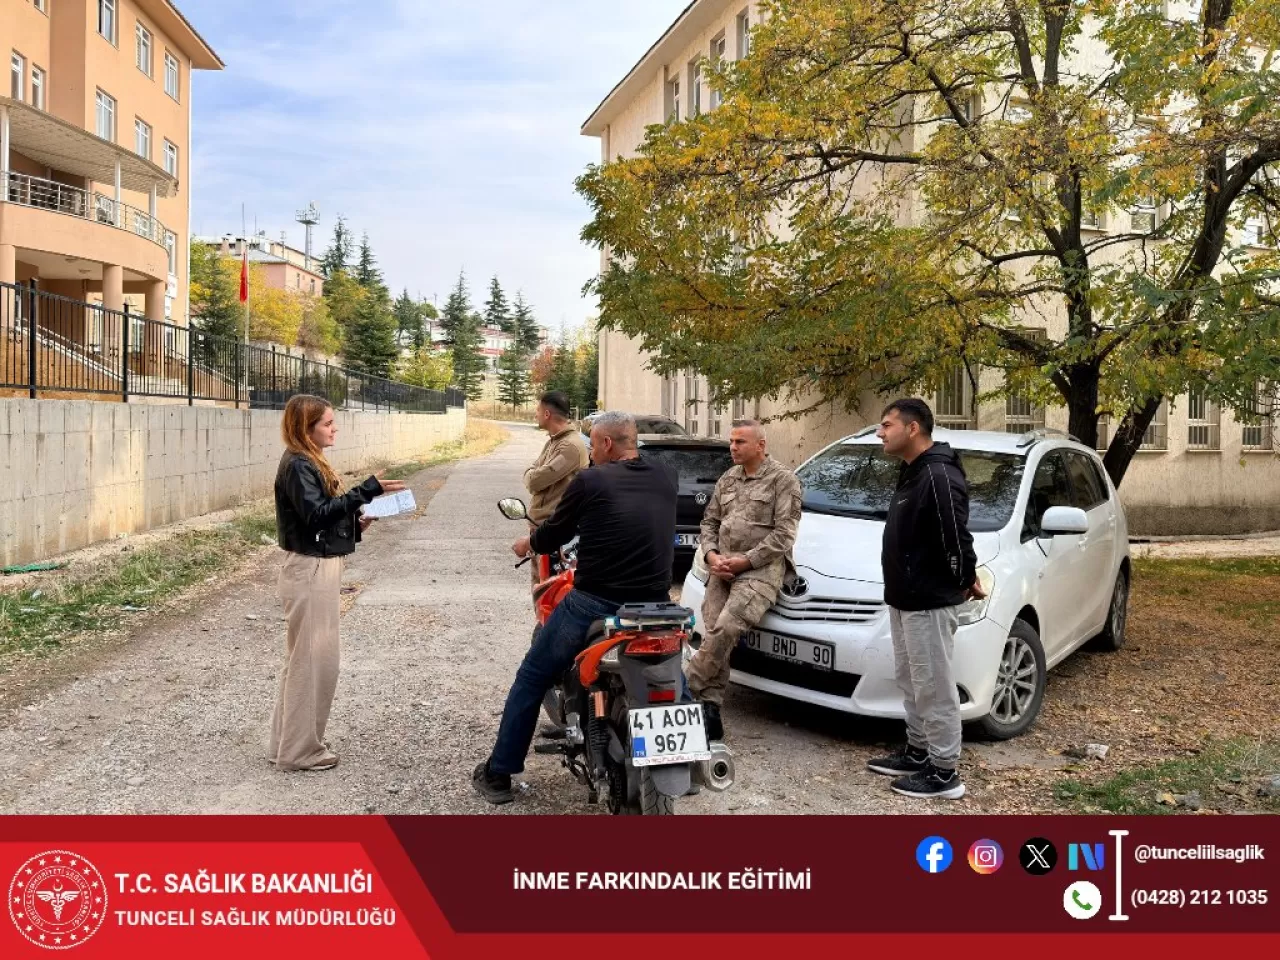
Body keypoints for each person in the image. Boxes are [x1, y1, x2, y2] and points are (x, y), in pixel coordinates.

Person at [472, 411, 678, 804]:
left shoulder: (591, 480)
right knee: (671, 676)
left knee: (532, 675)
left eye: (592, 445)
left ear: (606, 444)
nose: (590, 453)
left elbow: (556, 532)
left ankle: (498, 773)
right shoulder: (666, 475)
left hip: (595, 602)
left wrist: (528, 543)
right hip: (656, 605)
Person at [270, 394, 406, 772]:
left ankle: (287, 745)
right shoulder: (299, 464)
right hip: (311, 571)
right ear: (306, 427)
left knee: (304, 661)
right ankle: (300, 752)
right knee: (315, 663)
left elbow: (318, 519)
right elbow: (316, 516)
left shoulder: (306, 460)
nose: (335, 429)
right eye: (327, 423)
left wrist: (356, 524)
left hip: (315, 567)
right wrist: (366, 490)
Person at [866, 398, 982, 800]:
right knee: (912, 680)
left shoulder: (938, 474)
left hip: (928, 600)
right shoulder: (914, 470)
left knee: (934, 686)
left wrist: (965, 576)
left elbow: (955, 533)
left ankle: (945, 772)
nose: (880, 432)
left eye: (887, 425)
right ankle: (918, 752)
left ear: (912, 428)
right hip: (904, 598)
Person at [684, 419, 802, 741]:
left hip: (759, 571)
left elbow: (784, 535)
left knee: (725, 628)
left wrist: (745, 561)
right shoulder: (728, 478)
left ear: (760, 445)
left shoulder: (783, 480)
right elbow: (709, 522)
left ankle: (685, 685)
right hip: (722, 567)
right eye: (731, 441)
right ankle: (710, 710)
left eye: (740, 442)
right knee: (713, 630)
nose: (732, 447)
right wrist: (711, 556)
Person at [523, 391, 590, 587]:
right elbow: (533, 474)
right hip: (541, 530)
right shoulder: (553, 442)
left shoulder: (570, 447)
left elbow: (534, 481)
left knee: (552, 590)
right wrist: (531, 473)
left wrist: (531, 474)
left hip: (555, 533)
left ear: (547, 414)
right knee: (540, 588)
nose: (535, 414)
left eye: (537, 410)